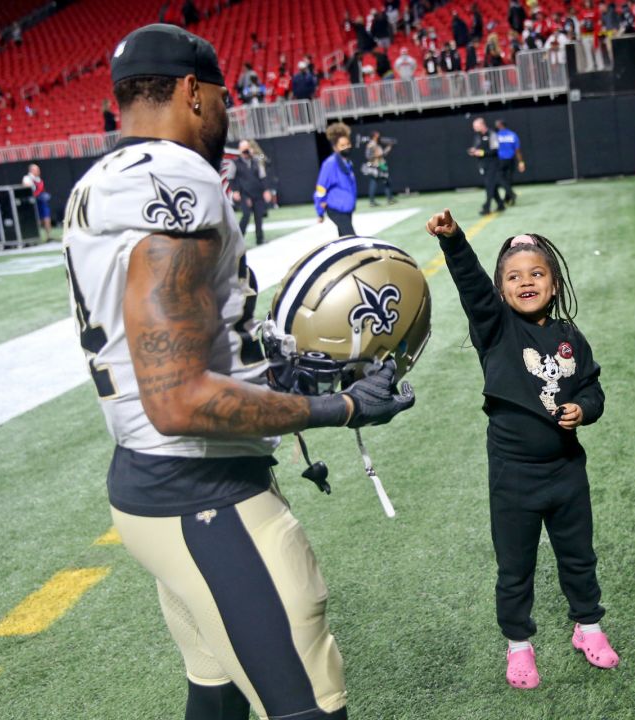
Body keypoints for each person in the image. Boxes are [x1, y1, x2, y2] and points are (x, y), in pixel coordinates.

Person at [61, 24, 415, 720]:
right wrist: (338, 409)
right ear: (193, 92)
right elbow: (179, 399)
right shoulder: (176, 181)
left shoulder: (100, 180)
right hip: (202, 495)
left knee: (216, 695)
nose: (228, 116)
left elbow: (179, 355)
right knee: (310, 705)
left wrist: (274, 371)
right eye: (223, 99)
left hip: (151, 484)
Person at [424, 209, 619, 690]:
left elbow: (593, 389)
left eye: (536, 273)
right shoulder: (496, 330)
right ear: (501, 288)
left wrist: (583, 409)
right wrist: (454, 241)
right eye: (513, 276)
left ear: (554, 284)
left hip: (568, 472)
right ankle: (518, 646)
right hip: (514, 477)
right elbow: (472, 285)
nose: (525, 281)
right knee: (515, 569)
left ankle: (588, 627)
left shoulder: (571, 337)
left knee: (579, 556)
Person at [314, 122, 358, 236]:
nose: (346, 147)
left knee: (344, 240)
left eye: (348, 144)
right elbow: (321, 187)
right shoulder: (330, 163)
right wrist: (320, 211)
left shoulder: (347, 162)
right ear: (335, 147)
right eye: (342, 145)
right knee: (352, 238)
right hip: (336, 208)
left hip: (346, 208)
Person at [230, 140, 272, 244]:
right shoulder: (235, 163)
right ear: (239, 151)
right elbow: (231, 178)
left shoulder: (257, 160)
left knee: (259, 216)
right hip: (244, 194)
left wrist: (266, 190)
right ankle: (239, 240)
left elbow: (263, 175)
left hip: (257, 192)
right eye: (243, 150)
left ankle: (260, 238)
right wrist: (235, 191)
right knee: (246, 215)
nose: (246, 152)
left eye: (247, 150)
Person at [468, 117, 504, 215]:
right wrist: (473, 151)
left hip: (493, 164)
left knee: (489, 186)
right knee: (491, 186)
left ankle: (486, 207)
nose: (474, 128)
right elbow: (476, 147)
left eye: (476, 126)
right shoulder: (477, 136)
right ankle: (501, 204)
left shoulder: (492, 134)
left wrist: (482, 152)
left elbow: (495, 150)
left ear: (482, 125)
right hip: (483, 164)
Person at [493, 120, 526, 206]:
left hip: (501, 160)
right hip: (511, 160)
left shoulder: (496, 135)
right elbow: (517, 150)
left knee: (499, 178)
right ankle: (508, 199)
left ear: (500, 125)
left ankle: (511, 194)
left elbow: (493, 149)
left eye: (497, 124)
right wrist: (521, 162)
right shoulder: (513, 135)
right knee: (508, 180)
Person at [364, 130, 396, 207]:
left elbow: (381, 154)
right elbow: (368, 156)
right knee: (374, 183)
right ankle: (372, 201)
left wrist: (388, 148)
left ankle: (389, 198)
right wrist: (377, 155)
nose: (379, 135)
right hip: (376, 166)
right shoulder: (371, 144)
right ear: (374, 136)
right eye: (377, 134)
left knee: (386, 181)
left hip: (381, 165)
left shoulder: (376, 144)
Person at [22, 163, 53, 236]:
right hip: (33, 202)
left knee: (46, 216)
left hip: (42, 201)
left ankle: (49, 235)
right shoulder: (27, 178)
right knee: (36, 218)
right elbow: (26, 188)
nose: (39, 171)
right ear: (32, 170)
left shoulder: (38, 179)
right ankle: (34, 235)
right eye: (37, 170)